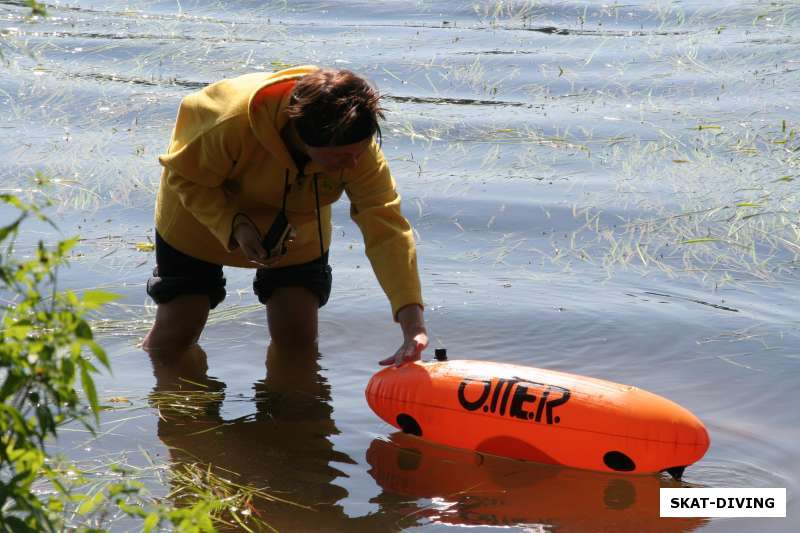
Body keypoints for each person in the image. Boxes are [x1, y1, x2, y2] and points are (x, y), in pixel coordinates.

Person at [142, 66, 428, 365]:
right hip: (201, 210)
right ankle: (173, 403)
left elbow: (386, 227)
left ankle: (290, 408)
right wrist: (234, 224)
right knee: (178, 330)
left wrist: (413, 324)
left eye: (359, 152)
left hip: (295, 222)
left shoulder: (355, 148)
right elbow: (185, 177)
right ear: (304, 137)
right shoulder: (228, 122)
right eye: (342, 158)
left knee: (298, 340)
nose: (354, 165)